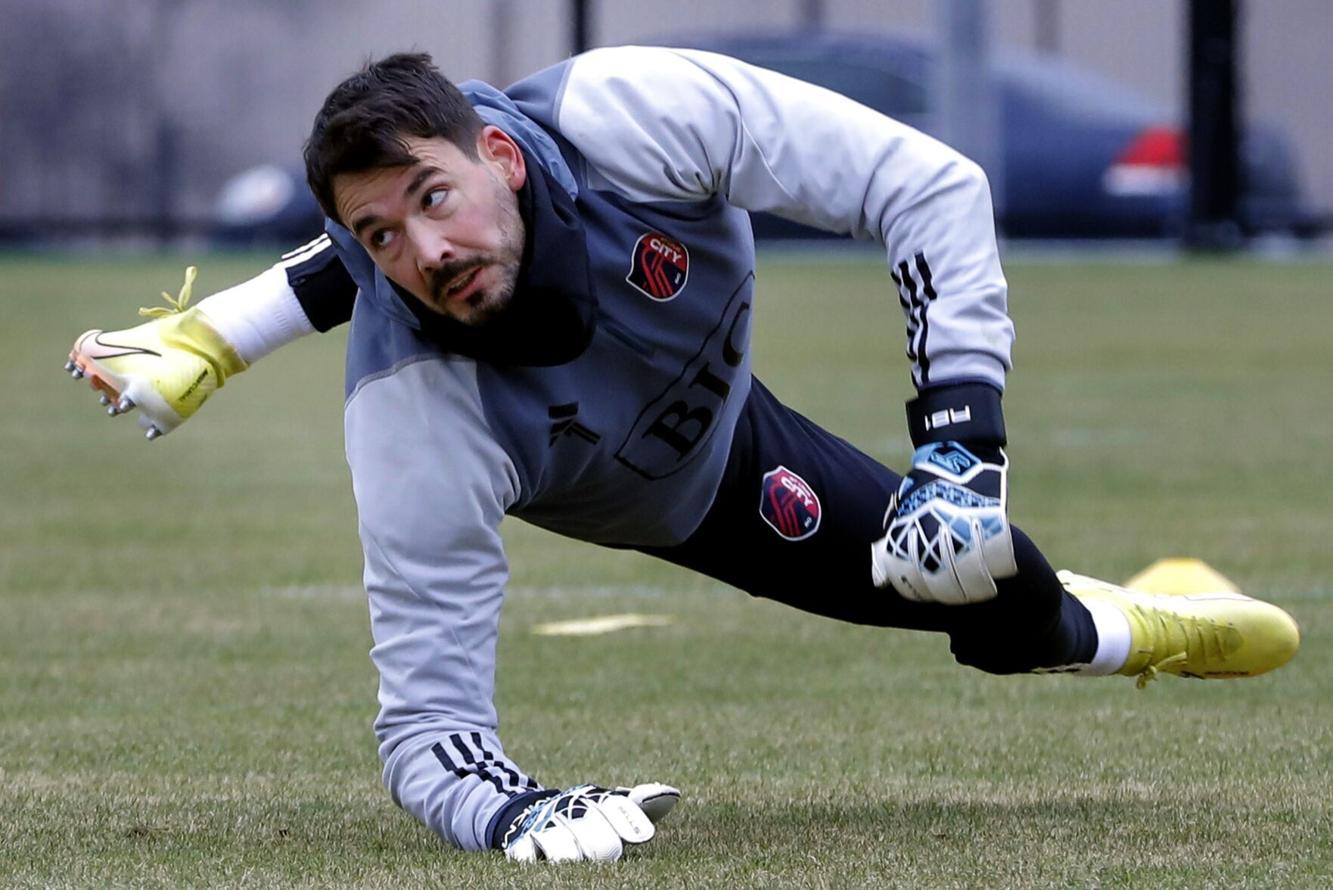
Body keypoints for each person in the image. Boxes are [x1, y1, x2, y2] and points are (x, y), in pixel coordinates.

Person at [65, 48, 1299, 863]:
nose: (422, 253)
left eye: (434, 198)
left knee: (991, 580)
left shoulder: (629, 116)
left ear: (501, 157)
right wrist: (509, 809)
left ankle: (1126, 618)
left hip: (722, 406)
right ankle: (1117, 624)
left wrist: (959, 452)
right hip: (695, 494)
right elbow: (425, 730)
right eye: (380, 237)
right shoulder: (414, 411)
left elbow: (929, 186)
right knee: (988, 607)